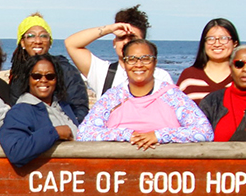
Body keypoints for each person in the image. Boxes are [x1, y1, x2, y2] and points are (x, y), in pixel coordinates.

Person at [76, 39, 214, 147]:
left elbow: (204, 131)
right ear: (124, 64)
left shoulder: (172, 95)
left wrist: (158, 136)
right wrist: (126, 135)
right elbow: (84, 133)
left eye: (145, 58)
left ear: (155, 62)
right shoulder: (113, 97)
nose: (138, 65)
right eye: (131, 59)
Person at [63, 5, 176, 98]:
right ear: (114, 43)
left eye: (132, 38)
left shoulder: (160, 76)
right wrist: (110, 29)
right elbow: (71, 44)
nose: (126, 42)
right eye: (121, 38)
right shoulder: (104, 72)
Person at [0, 53, 79, 168]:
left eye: (50, 76)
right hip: (45, 179)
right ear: (28, 79)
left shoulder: (63, 106)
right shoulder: (20, 111)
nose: (43, 80)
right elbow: (15, 151)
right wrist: (55, 133)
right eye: (36, 76)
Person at [9, 13, 89, 121]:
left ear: (49, 42)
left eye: (43, 36)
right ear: (22, 42)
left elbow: (80, 108)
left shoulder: (65, 69)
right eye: (31, 36)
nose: (38, 41)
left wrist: (69, 129)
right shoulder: (18, 74)